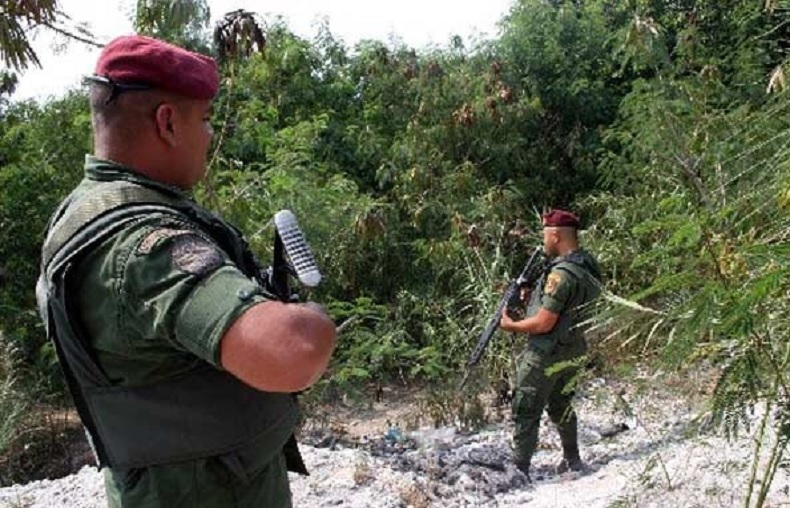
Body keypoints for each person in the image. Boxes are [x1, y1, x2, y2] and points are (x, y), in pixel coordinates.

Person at [35, 35, 337, 507]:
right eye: (206, 119)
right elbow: (293, 351)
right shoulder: (142, 245)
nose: (210, 135)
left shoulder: (85, 210)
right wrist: (312, 317)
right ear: (168, 122)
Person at [500, 209, 602, 482]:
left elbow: (544, 322)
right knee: (561, 404)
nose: (543, 241)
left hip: (545, 351)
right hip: (574, 346)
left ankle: (520, 469)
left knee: (526, 405)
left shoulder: (561, 275)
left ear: (555, 235)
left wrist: (512, 326)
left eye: (545, 234)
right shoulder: (588, 265)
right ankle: (572, 459)